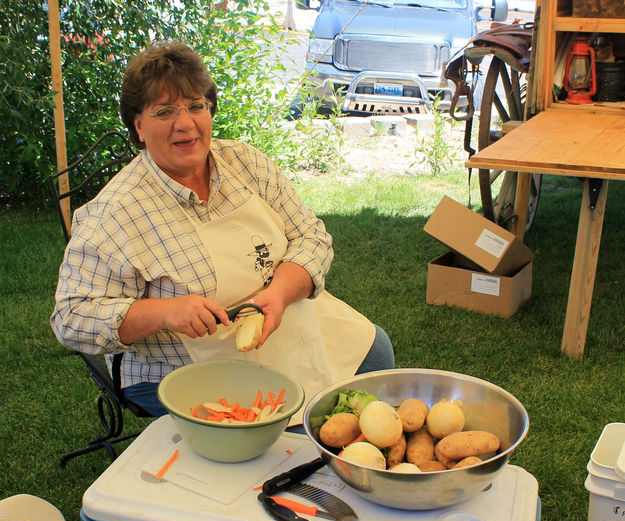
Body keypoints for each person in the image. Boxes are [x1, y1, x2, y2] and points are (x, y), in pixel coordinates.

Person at [50, 41, 394, 422]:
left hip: (287, 322)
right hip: (183, 367)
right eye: (165, 112)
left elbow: (312, 237)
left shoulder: (247, 164)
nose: (185, 124)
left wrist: (278, 294)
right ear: (139, 126)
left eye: (196, 106)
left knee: (375, 352)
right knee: (286, 435)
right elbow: (70, 317)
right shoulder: (114, 214)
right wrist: (163, 312)